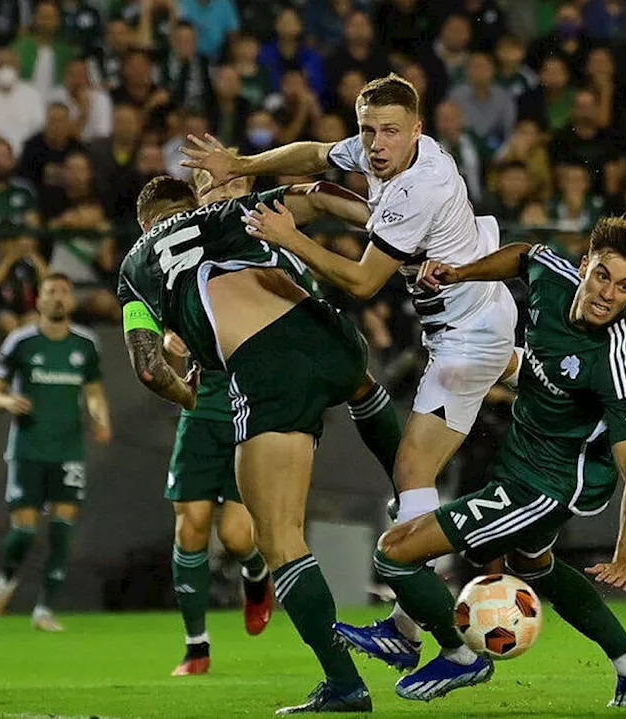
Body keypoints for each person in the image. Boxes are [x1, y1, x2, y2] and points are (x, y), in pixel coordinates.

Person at [183, 73, 521, 658]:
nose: (376, 144)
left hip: (466, 337)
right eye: (368, 131)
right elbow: (315, 152)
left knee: (412, 474)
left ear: (419, 130)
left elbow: (364, 281)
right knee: (423, 454)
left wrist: (291, 238)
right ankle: (554, 377)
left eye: (390, 131)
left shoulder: (421, 187)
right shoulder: (380, 154)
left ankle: (427, 635)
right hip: (472, 316)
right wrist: (241, 160)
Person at [313, 217, 626, 707]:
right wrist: (460, 274)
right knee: (534, 564)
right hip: (520, 461)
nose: (608, 294)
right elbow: (524, 253)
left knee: (394, 552)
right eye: (604, 276)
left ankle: (456, 654)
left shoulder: (613, 361)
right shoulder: (554, 276)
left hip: (548, 486)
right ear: (585, 264)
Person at [119, 173, 399, 713]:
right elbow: (317, 195)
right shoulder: (222, 218)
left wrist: (188, 395)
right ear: (192, 201)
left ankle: (345, 684)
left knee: (278, 539)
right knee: (363, 390)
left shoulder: (136, 268)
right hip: (329, 333)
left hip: (262, 374)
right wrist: (392, 229)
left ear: (144, 224)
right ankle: (416, 499)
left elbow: (150, 370)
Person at [159, 175, 279, 677]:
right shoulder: (181, 254)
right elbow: (165, 327)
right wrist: (170, 345)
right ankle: (196, 646)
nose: (214, 196)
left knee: (235, 537)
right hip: (201, 411)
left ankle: (255, 573)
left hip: (247, 410)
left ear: (245, 188)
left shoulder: (263, 244)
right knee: (190, 528)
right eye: (206, 188)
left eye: (225, 185)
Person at [0, 273, 112, 632]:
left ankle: (44, 609)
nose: (58, 298)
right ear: (38, 301)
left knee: (63, 527)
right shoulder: (20, 341)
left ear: (71, 301)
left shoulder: (86, 343)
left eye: (64, 292)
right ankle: (6, 581)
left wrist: (101, 418)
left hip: (68, 448)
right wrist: (8, 400)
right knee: (23, 530)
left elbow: (95, 391)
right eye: (50, 292)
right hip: (28, 448)